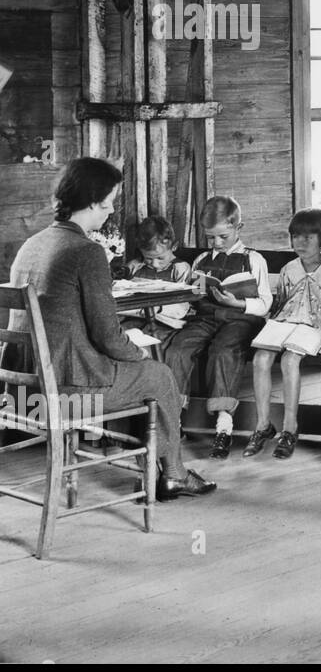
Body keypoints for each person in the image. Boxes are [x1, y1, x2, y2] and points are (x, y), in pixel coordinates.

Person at [1, 158, 214, 499]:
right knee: (157, 375)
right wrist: (136, 351)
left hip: (19, 397)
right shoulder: (86, 252)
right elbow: (108, 336)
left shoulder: (32, 245)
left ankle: (157, 469)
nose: (111, 210)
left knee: (141, 371)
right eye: (109, 201)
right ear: (92, 200)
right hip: (62, 400)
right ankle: (173, 473)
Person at [164, 196, 272, 460]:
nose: (216, 243)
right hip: (206, 317)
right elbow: (193, 297)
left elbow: (266, 303)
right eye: (211, 238)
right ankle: (174, 421)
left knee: (223, 351)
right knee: (178, 347)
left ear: (239, 227)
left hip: (240, 320)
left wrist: (239, 302)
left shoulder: (253, 259)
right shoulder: (201, 260)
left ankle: (224, 426)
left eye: (223, 236)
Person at [244, 208, 321, 460]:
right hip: (285, 323)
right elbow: (279, 306)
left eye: (309, 237)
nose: (301, 242)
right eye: (296, 236)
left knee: (289, 360)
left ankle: (290, 427)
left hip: (316, 328)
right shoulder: (289, 269)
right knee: (261, 358)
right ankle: (263, 425)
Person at [119, 215, 193, 350]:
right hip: (135, 317)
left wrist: (157, 309)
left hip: (165, 320)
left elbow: (184, 303)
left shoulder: (180, 268)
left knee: (151, 343)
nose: (155, 264)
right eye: (148, 258)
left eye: (160, 258)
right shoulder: (135, 266)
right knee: (121, 338)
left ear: (174, 246)